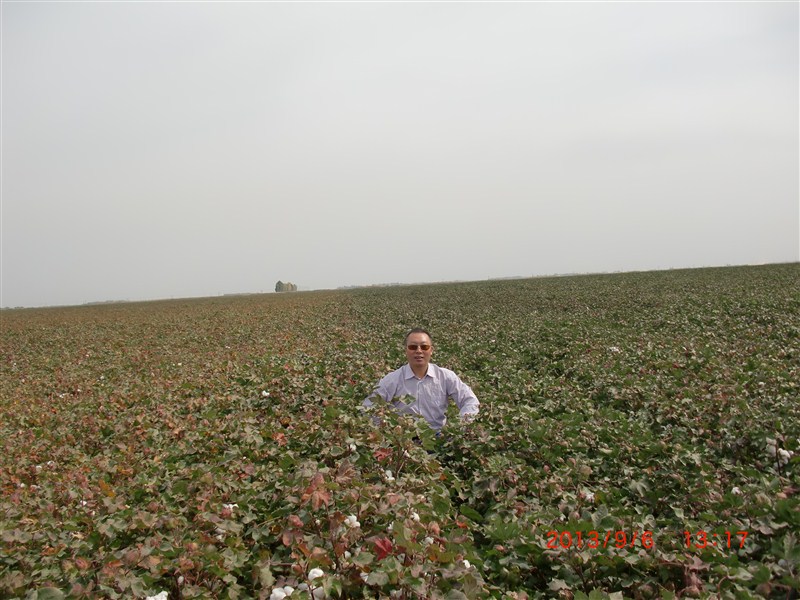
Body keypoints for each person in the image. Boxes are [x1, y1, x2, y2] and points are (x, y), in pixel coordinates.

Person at [364, 328, 479, 430]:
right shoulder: (392, 380)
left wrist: (459, 427)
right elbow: (368, 407)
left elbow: (470, 401)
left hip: (438, 441)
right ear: (406, 350)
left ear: (431, 350)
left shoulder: (446, 376)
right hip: (403, 443)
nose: (419, 351)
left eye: (424, 347)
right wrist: (383, 428)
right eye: (413, 347)